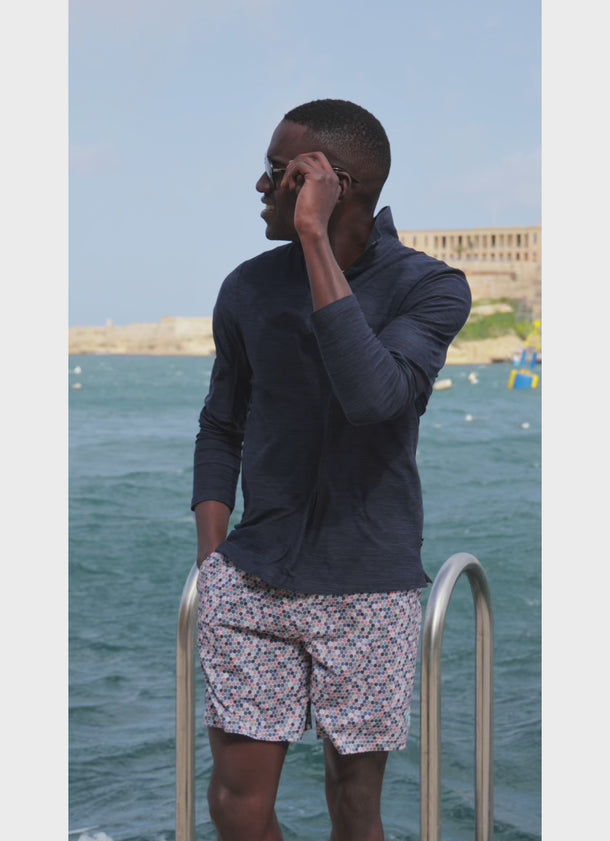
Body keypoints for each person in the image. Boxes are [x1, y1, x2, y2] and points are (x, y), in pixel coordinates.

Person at [191, 98, 471, 841]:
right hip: (251, 582)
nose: (260, 186)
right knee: (236, 805)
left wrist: (314, 238)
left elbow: (375, 399)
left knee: (353, 803)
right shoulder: (247, 288)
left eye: (277, 171)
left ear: (329, 182)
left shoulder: (431, 287)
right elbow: (221, 424)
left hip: (370, 586)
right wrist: (212, 560)